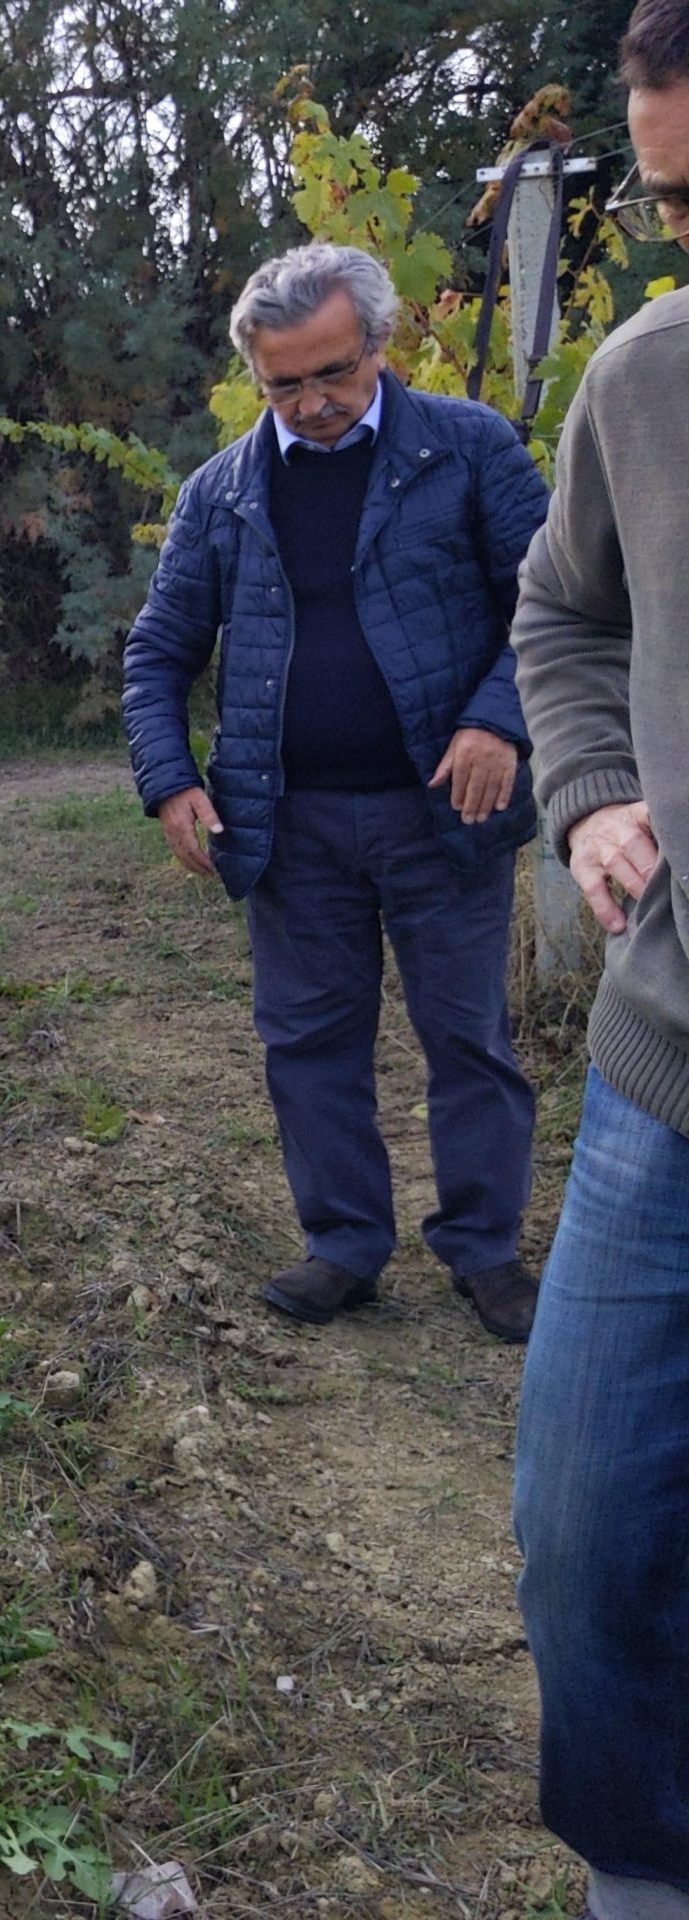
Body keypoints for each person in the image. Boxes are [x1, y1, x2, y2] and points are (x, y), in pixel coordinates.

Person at [121, 243, 549, 1340]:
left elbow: (555, 604)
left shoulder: (468, 449)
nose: (310, 404)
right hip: (287, 823)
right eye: (284, 386)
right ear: (257, 377)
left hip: (442, 809)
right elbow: (158, 649)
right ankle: (344, 1245)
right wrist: (171, 781)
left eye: (331, 376)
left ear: (378, 345)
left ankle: (484, 1249)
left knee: (465, 1035)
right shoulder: (219, 493)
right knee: (307, 1041)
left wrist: (498, 719)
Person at [508, 2, 689, 1906]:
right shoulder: (648, 381)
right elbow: (561, 613)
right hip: (669, 1068)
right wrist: (588, 790)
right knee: (584, 1535)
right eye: (676, 204)